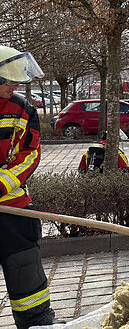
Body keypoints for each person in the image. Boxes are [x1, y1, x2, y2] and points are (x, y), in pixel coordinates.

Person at [0, 46, 57, 328]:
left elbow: (30, 153)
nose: (14, 86)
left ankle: (38, 323)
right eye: (9, 80)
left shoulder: (22, 108)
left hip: (14, 211)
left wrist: (2, 184)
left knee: (29, 284)